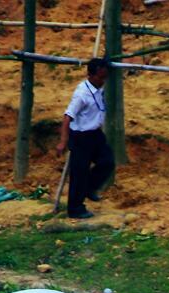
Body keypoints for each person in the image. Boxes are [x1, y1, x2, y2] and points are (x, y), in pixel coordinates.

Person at [56, 58, 114, 220]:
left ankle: (90, 188)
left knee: (107, 162)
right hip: (81, 137)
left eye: (105, 78)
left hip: (95, 134)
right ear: (90, 75)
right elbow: (67, 117)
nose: (103, 81)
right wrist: (63, 141)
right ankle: (75, 209)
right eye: (100, 78)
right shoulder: (82, 94)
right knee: (79, 173)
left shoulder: (98, 88)